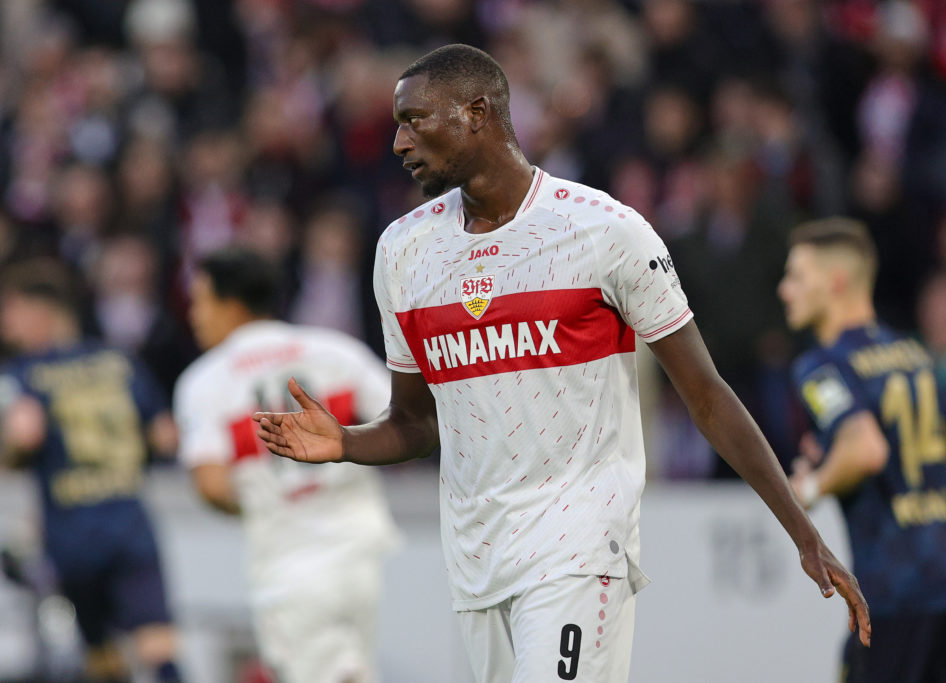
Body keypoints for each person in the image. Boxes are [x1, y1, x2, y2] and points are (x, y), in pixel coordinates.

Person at [254, 44, 869, 683]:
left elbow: (707, 395)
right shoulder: (403, 253)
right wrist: (347, 443)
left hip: (579, 546)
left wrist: (803, 532)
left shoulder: (605, 231)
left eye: (415, 120)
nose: (399, 142)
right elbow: (417, 423)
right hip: (476, 557)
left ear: (476, 113)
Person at [173, 247, 398, 683]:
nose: (193, 315)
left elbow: (212, 486)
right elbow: (407, 423)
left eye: (200, 300)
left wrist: (272, 500)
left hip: (288, 559)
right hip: (360, 543)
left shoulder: (205, 381)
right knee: (353, 670)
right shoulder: (335, 349)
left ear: (231, 303)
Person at [778, 218, 946, 683]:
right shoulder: (911, 353)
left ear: (835, 282)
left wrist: (810, 486)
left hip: (896, 591)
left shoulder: (820, 366)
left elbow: (865, 450)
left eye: (796, 277)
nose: (784, 290)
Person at [0, 259, 182, 683]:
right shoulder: (118, 360)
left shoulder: (24, 374)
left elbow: (24, 436)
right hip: (131, 524)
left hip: (72, 533)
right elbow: (165, 436)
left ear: (37, 310)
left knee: (99, 655)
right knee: (157, 645)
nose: (6, 324)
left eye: (10, 311)